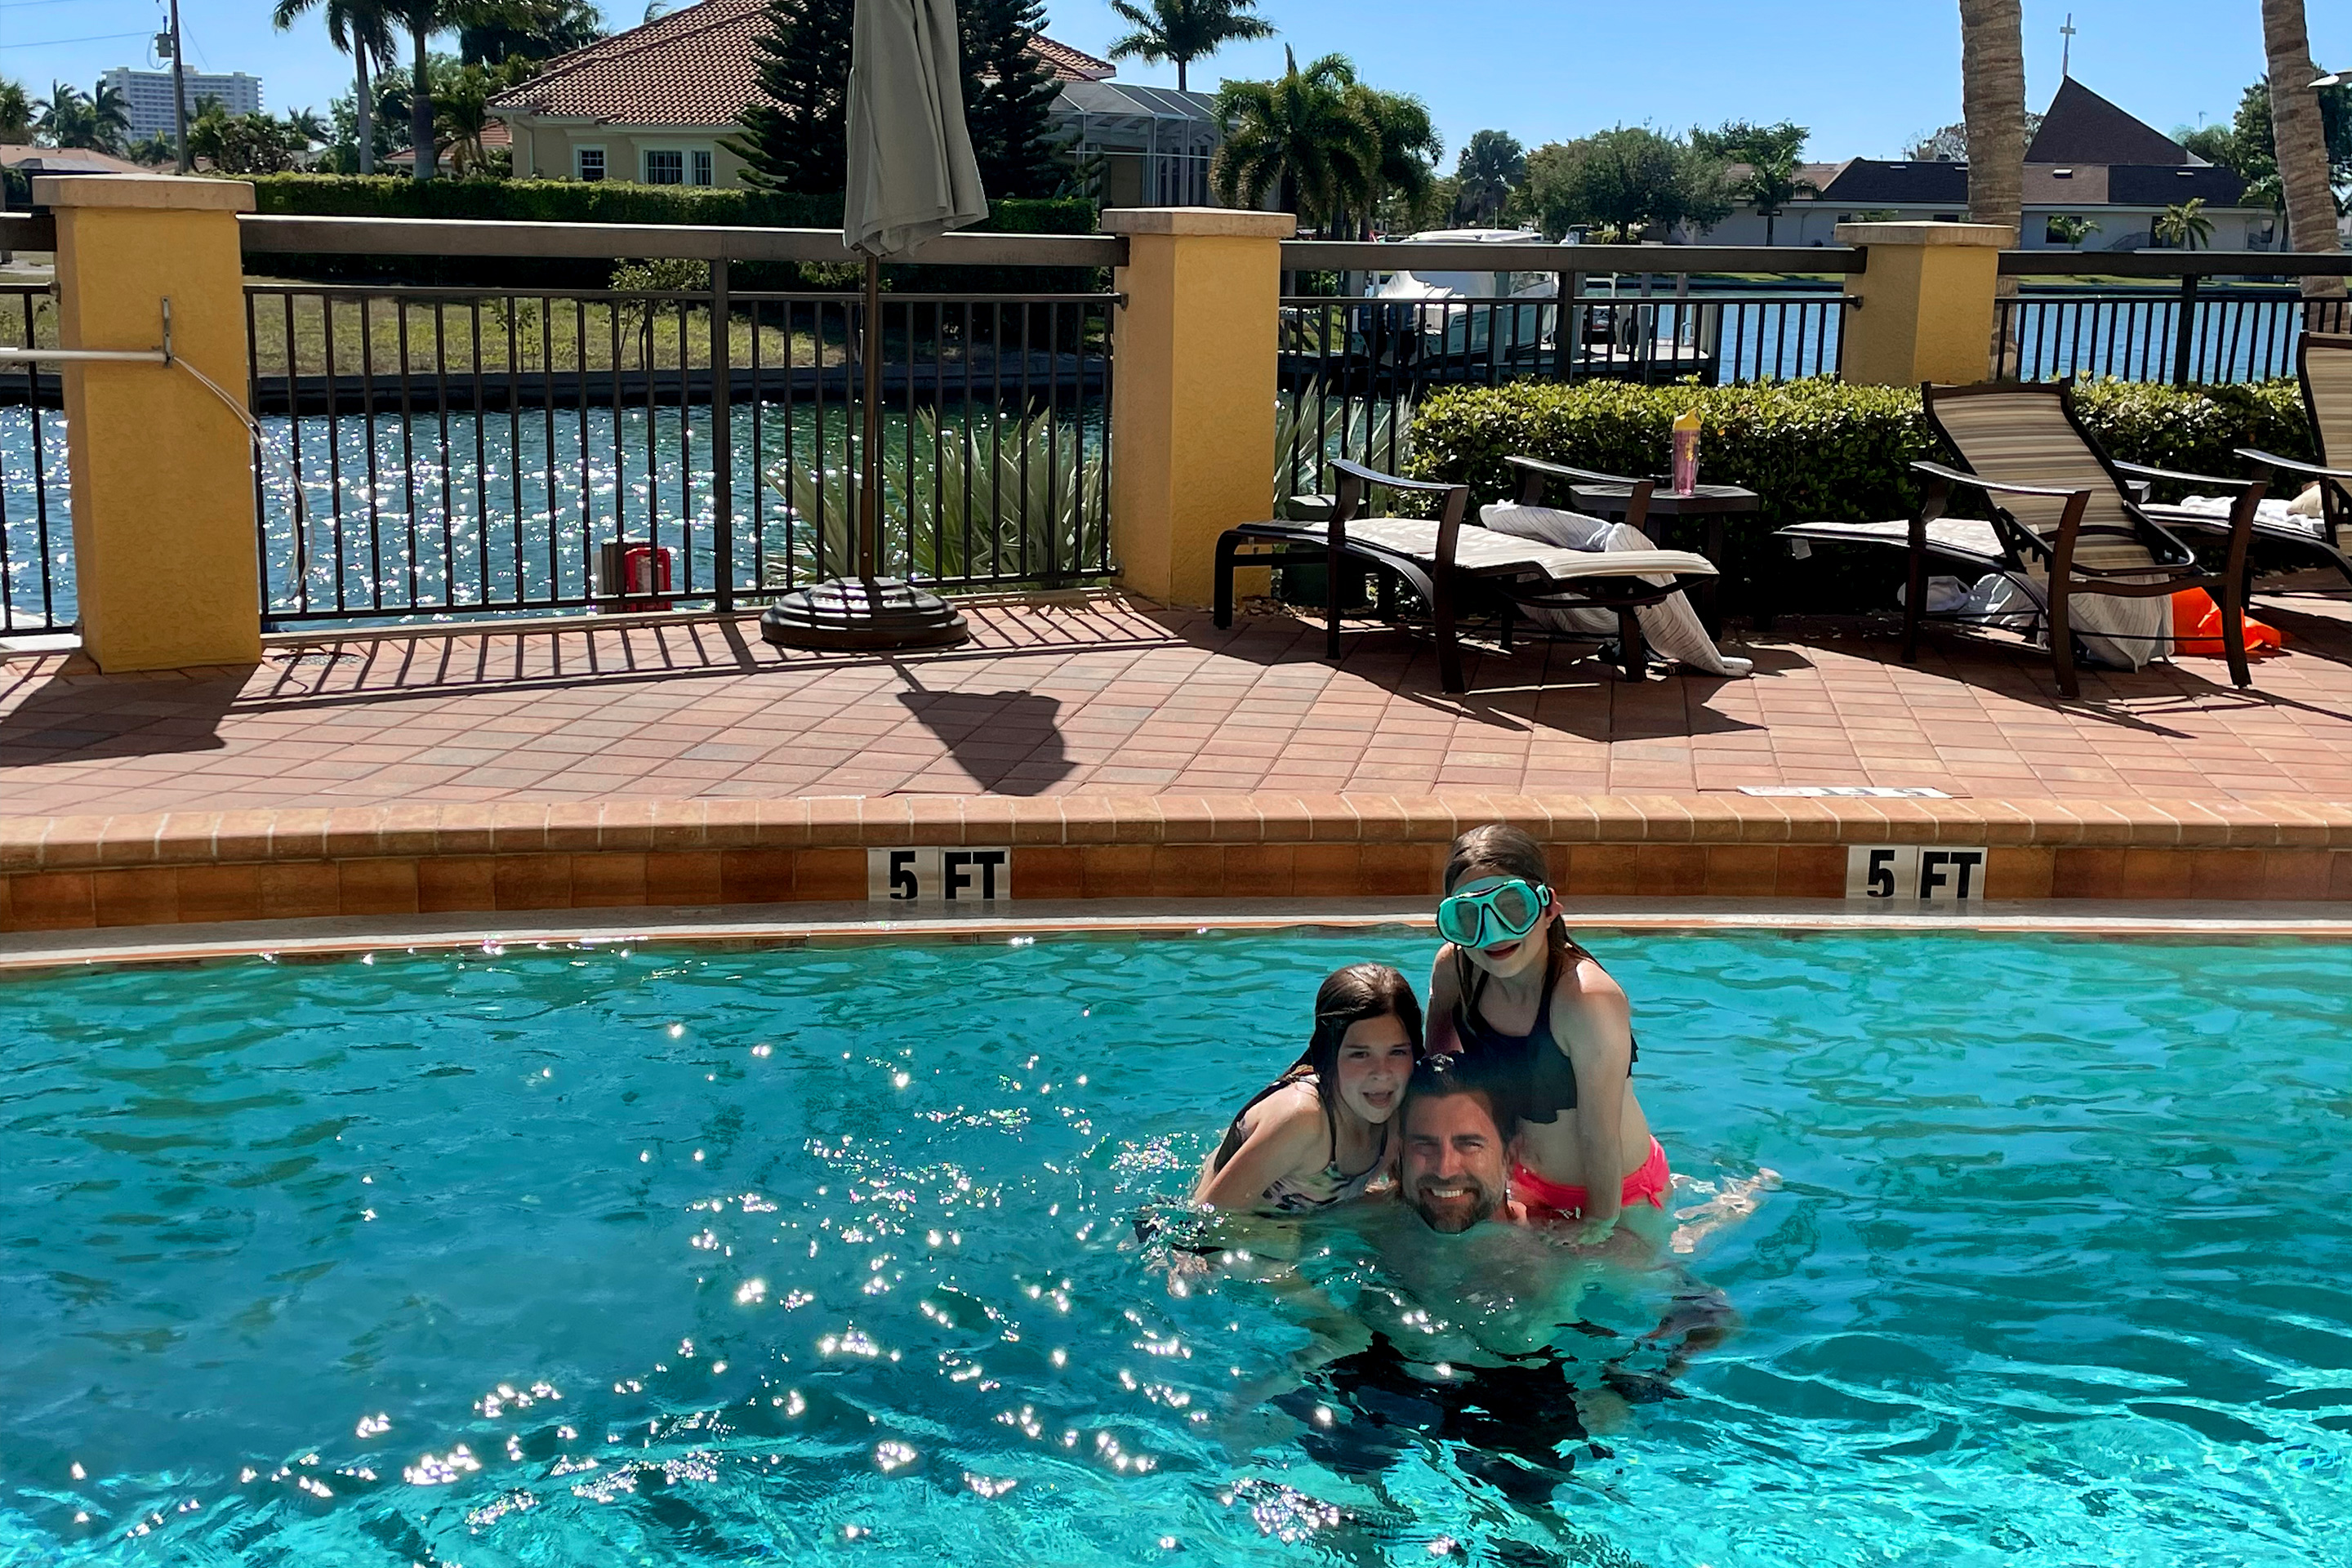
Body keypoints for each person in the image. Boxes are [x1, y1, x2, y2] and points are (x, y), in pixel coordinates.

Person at [1425, 824, 1671, 1244]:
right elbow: (1437, 1077)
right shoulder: (1458, 969)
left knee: (1647, 1301)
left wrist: (1598, 1225)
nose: (1494, 932)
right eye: (1470, 917)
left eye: (1512, 908)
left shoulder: (1586, 999)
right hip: (1522, 1182)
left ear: (1549, 907)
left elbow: (1599, 1133)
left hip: (1618, 1196)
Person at [1193, 963, 1423, 1214]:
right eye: (1360, 1054)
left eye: (1397, 1052)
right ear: (1328, 1055)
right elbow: (1207, 1217)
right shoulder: (1303, 1121)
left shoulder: (1401, 1115)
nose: (1381, 1072)